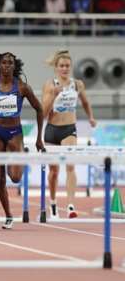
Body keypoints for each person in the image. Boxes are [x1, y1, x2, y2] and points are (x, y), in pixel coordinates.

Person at [0, 52, 44, 230]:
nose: (7, 65)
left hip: (15, 133)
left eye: (10, 63)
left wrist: (39, 138)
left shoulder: (22, 88)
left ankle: (13, 152)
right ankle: (8, 215)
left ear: (15, 67)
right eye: (4, 63)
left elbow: (40, 109)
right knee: (0, 179)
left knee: (14, 178)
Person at [41, 50, 96, 218]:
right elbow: (43, 112)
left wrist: (91, 117)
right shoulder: (50, 85)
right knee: (54, 172)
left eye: (67, 66)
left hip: (69, 129)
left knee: (70, 165)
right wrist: (53, 95)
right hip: (52, 131)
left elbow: (85, 102)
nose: (64, 68)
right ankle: (53, 202)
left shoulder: (77, 84)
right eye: (61, 66)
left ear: (70, 67)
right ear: (56, 68)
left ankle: (71, 205)